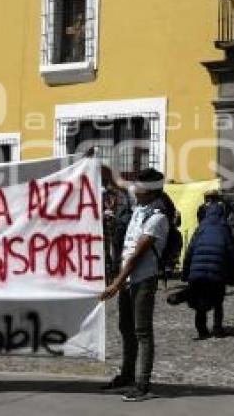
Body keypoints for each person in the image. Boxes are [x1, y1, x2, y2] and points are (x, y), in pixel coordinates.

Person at [99, 168, 169, 402]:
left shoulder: (158, 218)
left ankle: (143, 384)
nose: (133, 191)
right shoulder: (140, 205)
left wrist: (116, 283)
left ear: (149, 192)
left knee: (142, 331)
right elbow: (116, 180)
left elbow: (136, 257)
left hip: (142, 280)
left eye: (138, 188)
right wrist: (97, 164)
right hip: (127, 280)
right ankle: (127, 376)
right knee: (125, 329)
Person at [182, 204, 234, 339]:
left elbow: (189, 251)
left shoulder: (200, 228)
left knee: (200, 300)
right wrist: (233, 274)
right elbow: (231, 252)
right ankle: (217, 328)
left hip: (197, 271)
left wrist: (185, 273)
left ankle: (202, 330)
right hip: (217, 271)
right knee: (218, 300)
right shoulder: (224, 229)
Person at [101, 166, 133, 281]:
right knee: (104, 254)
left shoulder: (124, 195)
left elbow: (129, 212)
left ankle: (117, 276)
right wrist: (102, 215)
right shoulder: (100, 194)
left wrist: (119, 219)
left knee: (119, 255)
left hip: (119, 229)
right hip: (103, 230)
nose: (107, 184)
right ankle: (106, 276)